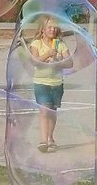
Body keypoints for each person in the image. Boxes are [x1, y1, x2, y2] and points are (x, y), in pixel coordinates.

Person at [29, 17, 73, 152]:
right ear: (43, 30)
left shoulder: (60, 44)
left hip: (56, 84)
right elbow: (34, 62)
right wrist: (48, 54)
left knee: (52, 111)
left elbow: (70, 63)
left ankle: (50, 137)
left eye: (54, 27)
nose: (52, 29)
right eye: (49, 27)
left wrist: (58, 60)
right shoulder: (36, 44)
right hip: (41, 83)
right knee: (44, 111)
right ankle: (43, 141)